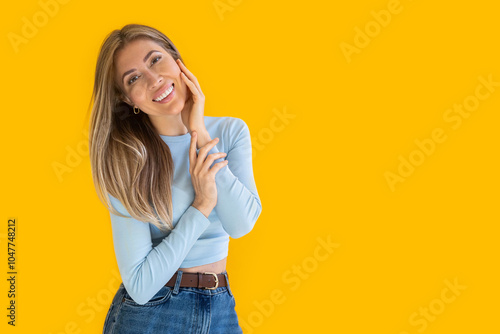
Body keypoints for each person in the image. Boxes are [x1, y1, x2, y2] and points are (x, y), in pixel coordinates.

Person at [88, 23, 262, 333]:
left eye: (155, 59)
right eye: (134, 78)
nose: (154, 80)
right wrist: (202, 206)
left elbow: (242, 224)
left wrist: (201, 135)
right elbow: (140, 286)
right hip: (153, 314)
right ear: (129, 100)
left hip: (221, 306)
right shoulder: (129, 157)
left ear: (176, 59)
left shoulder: (230, 132)